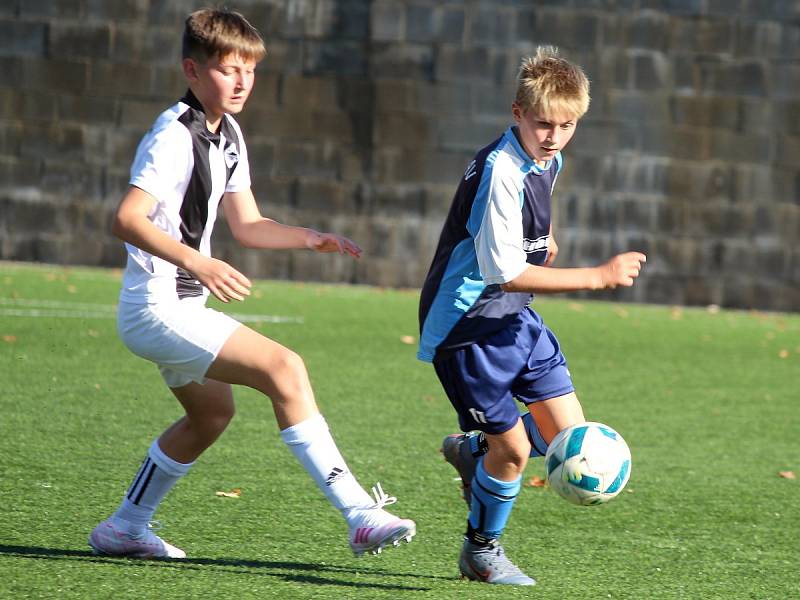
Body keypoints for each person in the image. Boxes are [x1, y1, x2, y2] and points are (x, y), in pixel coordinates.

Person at [88, 8, 415, 560]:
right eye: (226, 69)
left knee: (212, 415)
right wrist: (198, 262)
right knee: (285, 368)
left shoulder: (229, 131)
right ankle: (360, 513)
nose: (241, 82)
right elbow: (126, 218)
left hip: (179, 306)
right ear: (192, 70)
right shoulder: (173, 136)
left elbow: (247, 224)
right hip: (158, 306)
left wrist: (308, 237)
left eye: (251, 70)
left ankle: (123, 527)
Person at [417, 46, 646, 585]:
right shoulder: (500, 171)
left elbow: (533, 220)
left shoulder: (549, 157)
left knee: (565, 436)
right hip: (468, 327)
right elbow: (505, 273)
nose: (554, 136)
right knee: (517, 452)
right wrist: (597, 275)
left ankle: (477, 451)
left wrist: (545, 241)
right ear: (516, 112)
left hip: (516, 318)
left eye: (567, 125)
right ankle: (481, 549)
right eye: (543, 123)